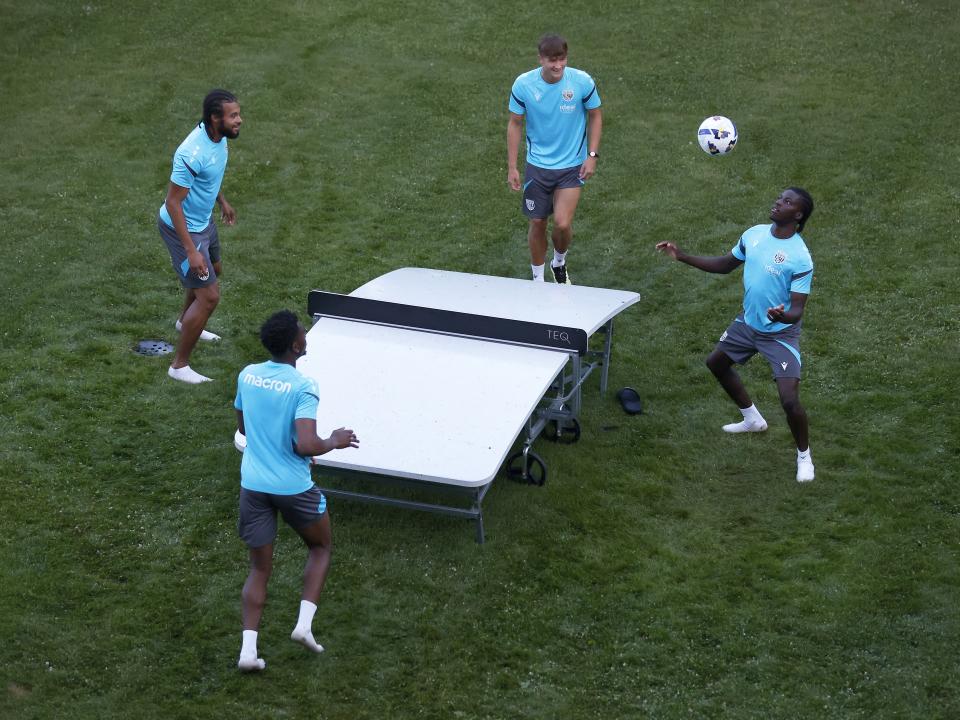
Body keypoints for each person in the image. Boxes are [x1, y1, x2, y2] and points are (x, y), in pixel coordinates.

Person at [655, 188, 817, 482]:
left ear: (798, 215)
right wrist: (681, 256)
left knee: (789, 401)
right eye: (780, 198)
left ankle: (804, 457)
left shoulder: (800, 257)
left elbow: (797, 310)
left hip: (779, 334)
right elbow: (725, 265)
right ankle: (752, 419)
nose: (778, 202)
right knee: (716, 363)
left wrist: (782, 315)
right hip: (748, 323)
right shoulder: (754, 234)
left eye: (787, 201)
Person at [234, 310, 359, 671]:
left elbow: (244, 427)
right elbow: (306, 444)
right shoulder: (304, 386)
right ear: (295, 345)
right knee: (321, 547)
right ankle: (303, 626)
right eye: (302, 332)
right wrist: (333, 441)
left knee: (259, 570)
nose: (306, 334)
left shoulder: (248, 375)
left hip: (253, 486)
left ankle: (247, 653)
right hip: (293, 488)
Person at [158, 89, 242, 384]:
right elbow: (172, 202)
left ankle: (185, 321)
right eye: (233, 116)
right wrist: (191, 251)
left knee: (214, 270)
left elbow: (209, 176)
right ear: (214, 118)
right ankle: (179, 366)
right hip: (182, 227)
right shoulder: (192, 152)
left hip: (204, 221)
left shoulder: (218, 139)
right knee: (209, 296)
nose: (239, 120)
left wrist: (222, 201)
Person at [507, 34, 602, 284]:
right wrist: (512, 166)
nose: (558, 66)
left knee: (561, 223)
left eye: (562, 60)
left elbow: (596, 115)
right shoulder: (523, 85)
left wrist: (591, 155)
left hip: (571, 166)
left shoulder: (581, 82)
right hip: (537, 166)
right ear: (541, 59)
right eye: (552, 61)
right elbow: (515, 124)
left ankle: (559, 263)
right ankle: (538, 279)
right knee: (537, 222)